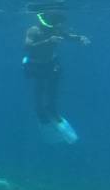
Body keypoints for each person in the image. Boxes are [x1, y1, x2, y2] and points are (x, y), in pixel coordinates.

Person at [23, 9, 90, 144]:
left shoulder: (56, 29)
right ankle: (40, 112)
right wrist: (48, 41)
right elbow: (28, 47)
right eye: (59, 22)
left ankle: (52, 110)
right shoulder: (34, 30)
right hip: (37, 66)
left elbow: (68, 36)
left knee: (53, 90)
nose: (60, 26)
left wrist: (80, 38)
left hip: (51, 64)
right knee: (40, 89)